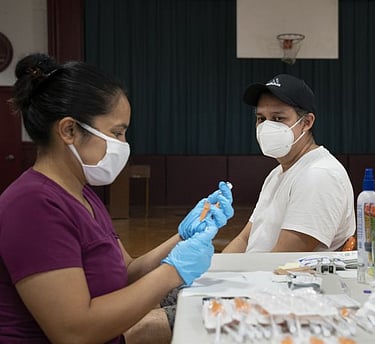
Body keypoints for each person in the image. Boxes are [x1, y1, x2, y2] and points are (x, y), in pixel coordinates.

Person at [0, 53, 233, 343]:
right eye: (117, 133)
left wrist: (183, 238)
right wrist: (173, 273)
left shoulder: (81, 194)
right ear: (69, 130)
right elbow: (74, 331)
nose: (123, 145)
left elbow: (125, 272)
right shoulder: (33, 205)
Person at [223, 74, 355, 253]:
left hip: (275, 278)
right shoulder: (277, 173)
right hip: (253, 273)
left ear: (306, 122)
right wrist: (218, 268)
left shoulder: (319, 175)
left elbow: (283, 260)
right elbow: (245, 238)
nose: (266, 127)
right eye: (261, 119)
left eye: (278, 119)